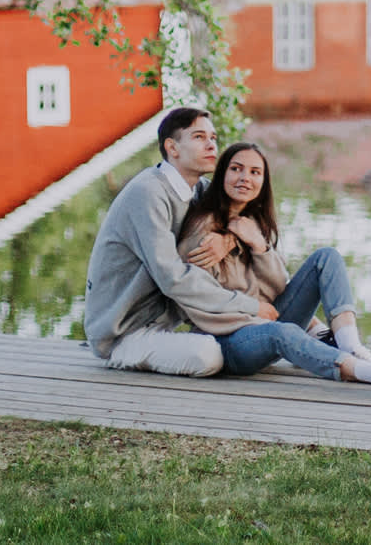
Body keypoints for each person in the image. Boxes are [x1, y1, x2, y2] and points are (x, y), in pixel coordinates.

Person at [174, 141, 371, 397]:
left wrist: (259, 245)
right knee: (283, 331)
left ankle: (352, 346)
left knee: (327, 257)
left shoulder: (254, 224)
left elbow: (279, 286)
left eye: (255, 172)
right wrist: (252, 311)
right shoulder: (202, 233)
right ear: (222, 173)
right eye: (236, 169)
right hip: (231, 341)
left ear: (263, 181)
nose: (245, 178)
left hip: (267, 321)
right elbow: (197, 299)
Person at [82, 107, 270, 376]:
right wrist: (249, 306)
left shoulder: (199, 190)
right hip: (124, 332)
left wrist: (228, 241)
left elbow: (253, 218)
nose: (211, 145)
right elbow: (172, 277)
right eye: (199, 137)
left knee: (251, 329)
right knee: (208, 356)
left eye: (213, 138)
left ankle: (314, 333)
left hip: (165, 324)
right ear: (172, 147)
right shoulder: (148, 193)